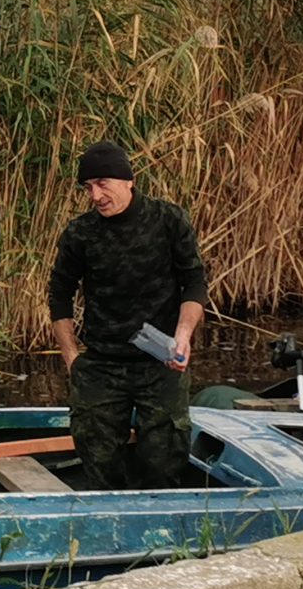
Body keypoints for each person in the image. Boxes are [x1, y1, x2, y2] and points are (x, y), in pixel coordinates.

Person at [48, 140, 207, 490]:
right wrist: (72, 358)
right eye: (88, 187)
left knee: (165, 460)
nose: (95, 195)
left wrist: (183, 335)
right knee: (98, 460)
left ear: (128, 181)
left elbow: (194, 283)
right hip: (102, 363)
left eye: (103, 184)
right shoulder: (81, 232)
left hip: (161, 361)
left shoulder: (168, 220)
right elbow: (59, 296)